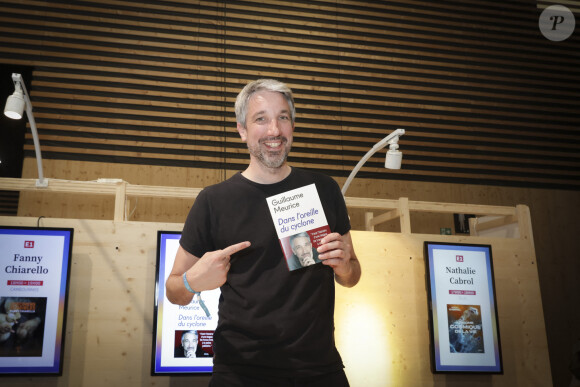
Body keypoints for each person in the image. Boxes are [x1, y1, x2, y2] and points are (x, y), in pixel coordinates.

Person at [166, 78, 361, 386]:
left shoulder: (324, 190)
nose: (274, 130)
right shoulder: (213, 201)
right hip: (240, 372)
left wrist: (347, 266)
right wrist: (193, 281)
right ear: (242, 130)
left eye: (283, 117)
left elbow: (351, 277)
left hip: (319, 370)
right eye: (261, 119)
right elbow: (174, 290)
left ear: (293, 126)